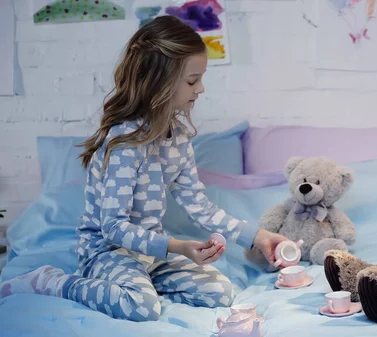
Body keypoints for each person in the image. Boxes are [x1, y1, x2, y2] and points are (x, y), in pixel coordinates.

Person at [0, 15, 289, 322]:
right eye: (193, 80)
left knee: (220, 291)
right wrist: (177, 246)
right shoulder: (125, 144)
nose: (201, 88)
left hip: (151, 254)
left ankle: (138, 283)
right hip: (108, 252)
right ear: (160, 81)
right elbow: (112, 227)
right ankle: (52, 281)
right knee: (142, 307)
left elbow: (199, 206)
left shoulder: (178, 138)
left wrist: (256, 236)